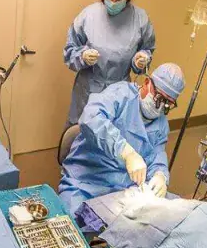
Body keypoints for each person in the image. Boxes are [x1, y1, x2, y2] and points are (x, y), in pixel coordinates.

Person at [59, 63, 185, 217]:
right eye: (159, 98)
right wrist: (125, 151)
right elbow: (91, 118)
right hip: (86, 183)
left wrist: (160, 175)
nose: (160, 107)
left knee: (170, 216)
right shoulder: (121, 95)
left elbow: (158, 154)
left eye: (167, 104)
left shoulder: (161, 124)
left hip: (124, 190)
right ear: (147, 83)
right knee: (72, 224)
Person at [63, 0, 156, 127]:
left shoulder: (140, 19)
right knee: (77, 133)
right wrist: (82, 56)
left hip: (118, 93)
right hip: (87, 91)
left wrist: (141, 60)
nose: (113, 1)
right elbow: (70, 51)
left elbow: (147, 49)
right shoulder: (88, 15)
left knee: (109, 135)